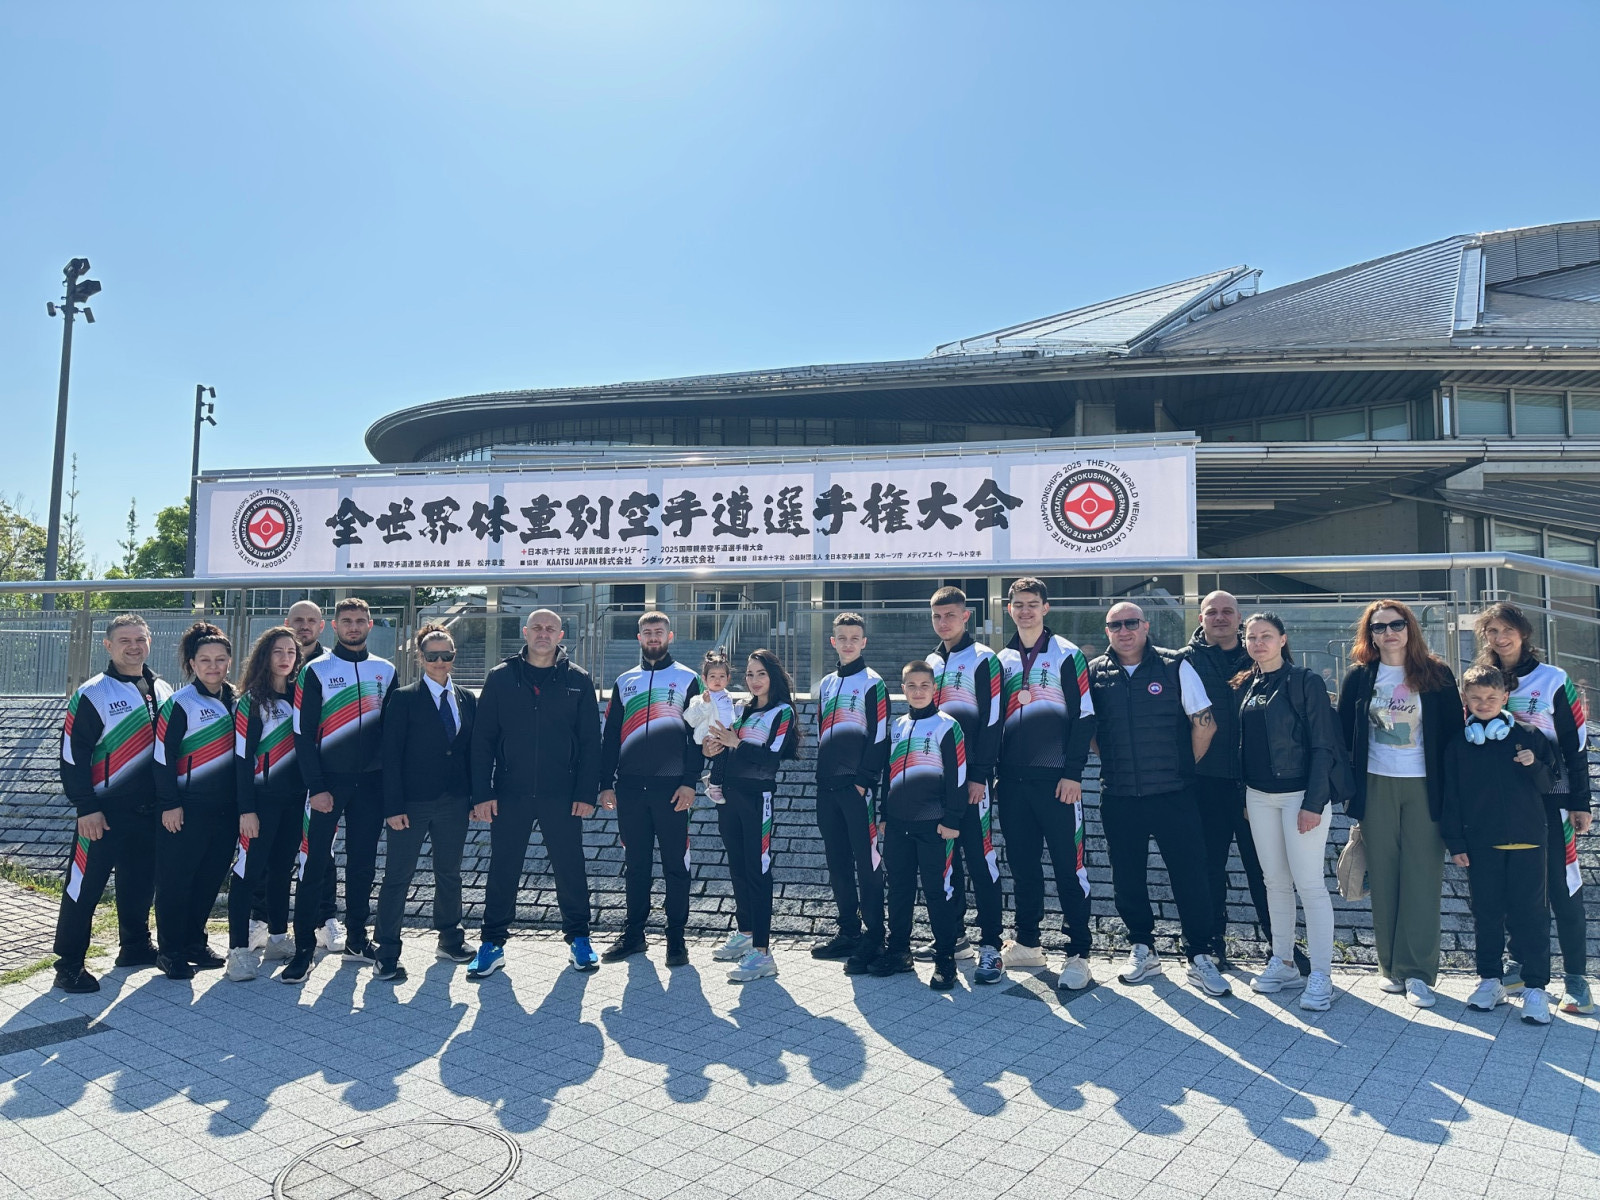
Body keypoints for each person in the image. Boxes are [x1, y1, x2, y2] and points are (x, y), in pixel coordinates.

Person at [1088, 601, 1230, 997]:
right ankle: (1142, 947)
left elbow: (1205, 724)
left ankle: (1199, 954)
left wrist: (1184, 766)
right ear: (1107, 631)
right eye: (1116, 625)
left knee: (1190, 876)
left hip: (1174, 794)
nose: (1124, 631)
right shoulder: (1095, 673)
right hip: (1119, 796)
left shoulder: (1175, 665)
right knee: (1126, 876)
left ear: (1146, 626)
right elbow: (1093, 732)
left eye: (1131, 623)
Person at [1336, 599, 1462, 1009]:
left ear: (1410, 628)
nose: (1388, 632)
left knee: (1422, 878)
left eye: (1396, 624)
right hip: (1375, 785)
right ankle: (1390, 968)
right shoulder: (1360, 677)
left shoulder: (1436, 674)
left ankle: (1418, 973)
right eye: (1379, 627)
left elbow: (1454, 737)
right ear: (1369, 635)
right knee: (1385, 877)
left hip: (1425, 786)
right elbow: (1343, 734)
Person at [468, 608, 602, 978]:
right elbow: (482, 741)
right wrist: (482, 792)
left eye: (551, 628)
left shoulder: (578, 680)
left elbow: (591, 742)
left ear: (561, 635)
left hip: (562, 793)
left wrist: (586, 792)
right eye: (537, 628)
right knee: (503, 867)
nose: (544, 633)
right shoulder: (501, 677)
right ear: (525, 633)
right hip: (510, 791)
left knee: (570, 867)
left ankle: (579, 939)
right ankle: (492, 943)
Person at [1473, 601, 1593, 1014]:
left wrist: (1580, 802)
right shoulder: (1481, 679)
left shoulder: (1553, 679)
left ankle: (1576, 978)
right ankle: (1521, 965)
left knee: (1562, 887)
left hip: (1552, 801)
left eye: (1507, 630)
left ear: (1523, 633)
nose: (1500, 638)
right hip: (1504, 806)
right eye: (1492, 631)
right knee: (1515, 891)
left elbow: (1576, 745)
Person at [51, 614, 173, 993]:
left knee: (139, 883)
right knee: (83, 888)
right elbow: (72, 755)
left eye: (140, 639)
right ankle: (68, 964)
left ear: (149, 642)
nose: (133, 646)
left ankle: (134, 946)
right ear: (107, 645)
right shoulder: (94, 693)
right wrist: (85, 806)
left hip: (149, 811)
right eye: (124, 640)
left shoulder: (163, 688)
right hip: (102, 812)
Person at [1233, 614, 1349, 1012]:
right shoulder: (1249, 684)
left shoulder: (1305, 681)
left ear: (1283, 640)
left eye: (1266, 636)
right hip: (1259, 797)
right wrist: (1246, 797)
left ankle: (1321, 975)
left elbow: (1323, 744)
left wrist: (1314, 803)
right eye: (1251, 637)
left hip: (1300, 796)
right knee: (1275, 882)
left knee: (1310, 885)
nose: (1258, 643)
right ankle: (1283, 962)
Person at [282, 597, 395, 985]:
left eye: (360, 620)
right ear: (334, 626)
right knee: (313, 864)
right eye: (346, 621)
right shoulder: (315, 670)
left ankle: (357, 941)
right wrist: (316, 786)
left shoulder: (385, 669)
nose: (353, 626)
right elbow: (302, 734)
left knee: (363, 864)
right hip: (327, 785)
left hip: (372, 786)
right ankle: (303, 950)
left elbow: (392, 734)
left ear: (370, 624)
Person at [995, 578, 1097, 991]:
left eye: (1032, 604)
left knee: (1069, 867)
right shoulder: (1001, 659)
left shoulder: (1067, 654)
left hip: (1057, 781)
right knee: (1023, 866)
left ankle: (1079, 953)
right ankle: (1028, 943)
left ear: (1045, 608)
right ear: (1008, 609)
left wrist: (1073, 773)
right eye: (1018, 604)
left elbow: (1085, 716)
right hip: (1012, 782)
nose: (1025, 611)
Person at [1442, 664, 1558, 1025]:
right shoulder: (1459, 744)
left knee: (1532, 916)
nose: (1484, 703)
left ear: (1505, 697)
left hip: (1529, 841)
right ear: (1465, 698)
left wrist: (1533, 764)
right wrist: (1455, 842)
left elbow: (1550, 783)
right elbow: (1451, 798)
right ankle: (1490, 980)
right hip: (1482, 845)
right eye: (1476, 698)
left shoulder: (1529, 735)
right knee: (1486, 914)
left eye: (1492, 697)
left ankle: (1535, 987)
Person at [1181, 590, 1280, 970]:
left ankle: (1280, 945)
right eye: (1212, 612)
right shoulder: (1183, 661)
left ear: (1239, 618)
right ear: (1201, 618)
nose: (1220, 617)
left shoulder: (1260, 654)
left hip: (1257, 783)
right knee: (1208, 868)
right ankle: (1212, 944)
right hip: (1205, 783)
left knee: (1266, 868)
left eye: (1227, 611)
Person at [371, 624, 476, 983]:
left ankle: (450, 938)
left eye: (446, 655)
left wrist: (475, 797)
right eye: (432, 656)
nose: (440, 661)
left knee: (450, 872)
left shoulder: (466, 698)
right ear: (420, 657)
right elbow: (390, 756)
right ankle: (386, 951)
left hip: (454, 801)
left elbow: (471, 753)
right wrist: (393, 806)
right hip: (411, 803)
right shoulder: (403, 698)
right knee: (398, 876)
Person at [597, 611, 701, 966]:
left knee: (676, 866)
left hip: (672, 790)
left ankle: (676, 938)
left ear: (670, 636)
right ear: (639, 637)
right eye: (647, 632)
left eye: (659, 631)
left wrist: (689, 782)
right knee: (636, 865)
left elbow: (697, 737)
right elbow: (611, 735)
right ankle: (634, 935)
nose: (653, 637)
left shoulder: (688, 679)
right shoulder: (625, 680)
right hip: (629, 789)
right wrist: (605, 784)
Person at [924, 586, 1005, 983]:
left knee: (980, 857)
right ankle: (955, 937)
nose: (944, 623)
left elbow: (993, 720)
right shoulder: (930, 662)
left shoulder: (984, 659)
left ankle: (991, 945)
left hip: (972, 780)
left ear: (966, 616)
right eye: (937, 616)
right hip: (937, 781)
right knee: (947, 859)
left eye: (950, 615)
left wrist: (979, 775)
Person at [871, 661, 967, 991]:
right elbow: (890, 774)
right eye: (911, 685)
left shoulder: (947, 726)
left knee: (939, 892)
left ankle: (946, 959)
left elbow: (958, 776)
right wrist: (885, 815)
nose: (918, 691)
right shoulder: (897, 726)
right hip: (898, 826)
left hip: (935, 827)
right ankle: (899, 951)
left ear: (934, 688)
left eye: (924, 685)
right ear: (903, 689)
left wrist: (952, 820)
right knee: (899, 889)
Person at [704, 650, 798, 982]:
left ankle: (762, 953)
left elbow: (770, 759)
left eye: (761, 673)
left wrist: (736, 743)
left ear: (773, 676)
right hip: (729, 797)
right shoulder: (741, 708)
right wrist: (711, 748)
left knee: (758, 871)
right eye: (749, 674)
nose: (754, 680)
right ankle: (745, 933)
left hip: (758, 798)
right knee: (738, 867)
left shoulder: (782, 711)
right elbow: (723, 745)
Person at [152, 623, 237, 980]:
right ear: (192, 663)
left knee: (209, 879)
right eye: (205, 660)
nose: (213, 666)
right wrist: (169, 804)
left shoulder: (239, 700)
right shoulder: (180, 703)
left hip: (227, 810)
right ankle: (170, 951)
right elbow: (162, 757)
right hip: (186, 808)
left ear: (229, 662)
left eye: (220, 659)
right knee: (177, 880)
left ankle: (193, 943)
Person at [254, 599, 338, 953]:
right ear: (287, 623)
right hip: (274, 785)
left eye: (311, 620)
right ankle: (261, 921)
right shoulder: (269, 677)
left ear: (322, 626)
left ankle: (325, 919)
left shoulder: (330, 666)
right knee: (268, 858)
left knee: (320, 853)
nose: (304, 625)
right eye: (298, 620)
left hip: (317, 780)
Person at [811, 614, 890, 973]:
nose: (847, 643)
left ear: (864, 642)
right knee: (837, 861)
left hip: (857, 789)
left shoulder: (873, 682)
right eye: (841, 637)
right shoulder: (827, 684)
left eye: (854, 638)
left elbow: (879, 735)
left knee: (867, 862)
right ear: (833, 642)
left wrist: (863, 781)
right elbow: (822, 731)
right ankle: (848, 932)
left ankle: (875, 936)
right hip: (827, 786)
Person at [227, 626, 303, 980]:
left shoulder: (301, 697)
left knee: (281, 871)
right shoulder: (251, 701)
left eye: (291, 652)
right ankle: (238, 950)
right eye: (278, 651)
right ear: (264, 656)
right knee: (247, 873)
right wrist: (246, 810)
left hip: (294, 802)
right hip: (260, 803)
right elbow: (242, 760)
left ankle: (277, 938)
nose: (285, 658)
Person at [685, 648, 738, 804]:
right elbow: (690, 717)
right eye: (712, 676)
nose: (717, 680)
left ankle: (711, 778)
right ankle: (714, 787)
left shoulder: (727, 695)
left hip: (727, 734)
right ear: (704, 679)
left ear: (728, 678)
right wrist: (705, 704)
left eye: (722, 676)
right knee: (721, 758)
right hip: (711, 736)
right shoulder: (701, 698)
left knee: (729, 760)